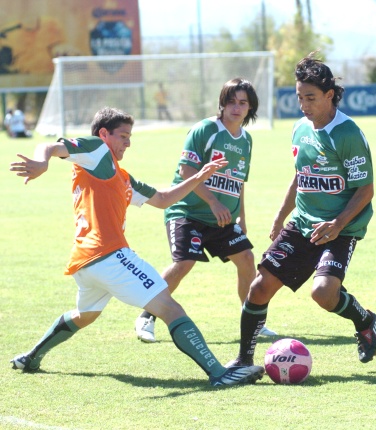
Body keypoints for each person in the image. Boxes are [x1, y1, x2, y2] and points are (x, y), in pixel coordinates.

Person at [8, 107, 264, 387]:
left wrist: (199, 176)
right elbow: (49, 146)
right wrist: (41, 161)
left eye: (130, 136)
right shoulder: (96, 150)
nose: (128, 143)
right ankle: (219, 373)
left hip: (86, 262)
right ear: (104, 134)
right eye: (123, 136)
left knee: (85, 315)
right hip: (107, 254)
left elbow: (164, 199)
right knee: (170, 308)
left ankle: (32, 356)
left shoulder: (121, 176)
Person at [226, 53, 376, 368]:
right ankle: (243, 360)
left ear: (330, 95)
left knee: (323, 294)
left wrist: (338, 224)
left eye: (310, 97)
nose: (303, 104)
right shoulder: (299, 128)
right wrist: (281, 215)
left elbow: (366, 189)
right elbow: (300, 174)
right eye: (299, 97)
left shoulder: (347, 133)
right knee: (260, 287)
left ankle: (364, 321)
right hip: (301, 222)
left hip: (340, 228)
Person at [134, 78, 277, 342]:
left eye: (242, 103)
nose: (236, 107)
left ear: (250, 108)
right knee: (184, 262)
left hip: (222, 218)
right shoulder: (206, 129)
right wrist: (213, 201)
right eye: (231, 101)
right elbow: (186, 170)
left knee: (246, 259)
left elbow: (239, 182)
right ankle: (147, 315)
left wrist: (242, 216)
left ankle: (252, 321)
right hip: (187, 211)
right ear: (222, 104)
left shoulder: (246, 141)